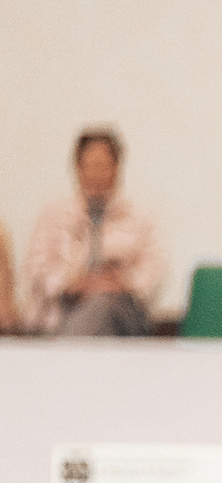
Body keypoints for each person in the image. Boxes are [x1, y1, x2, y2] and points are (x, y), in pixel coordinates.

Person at [23, 127, 166, 337]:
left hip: (122, 314)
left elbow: (154, 272)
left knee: (103, 304)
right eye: (89, 166)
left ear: (117, 169)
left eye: (103, 166)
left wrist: (121, 283)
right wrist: (74, 284)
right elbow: (36, 270)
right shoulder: (54, 216)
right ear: (77, 169)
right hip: (62, 312)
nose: (96, 174)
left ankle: (65, 356)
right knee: (92, 312)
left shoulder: (138, 219)